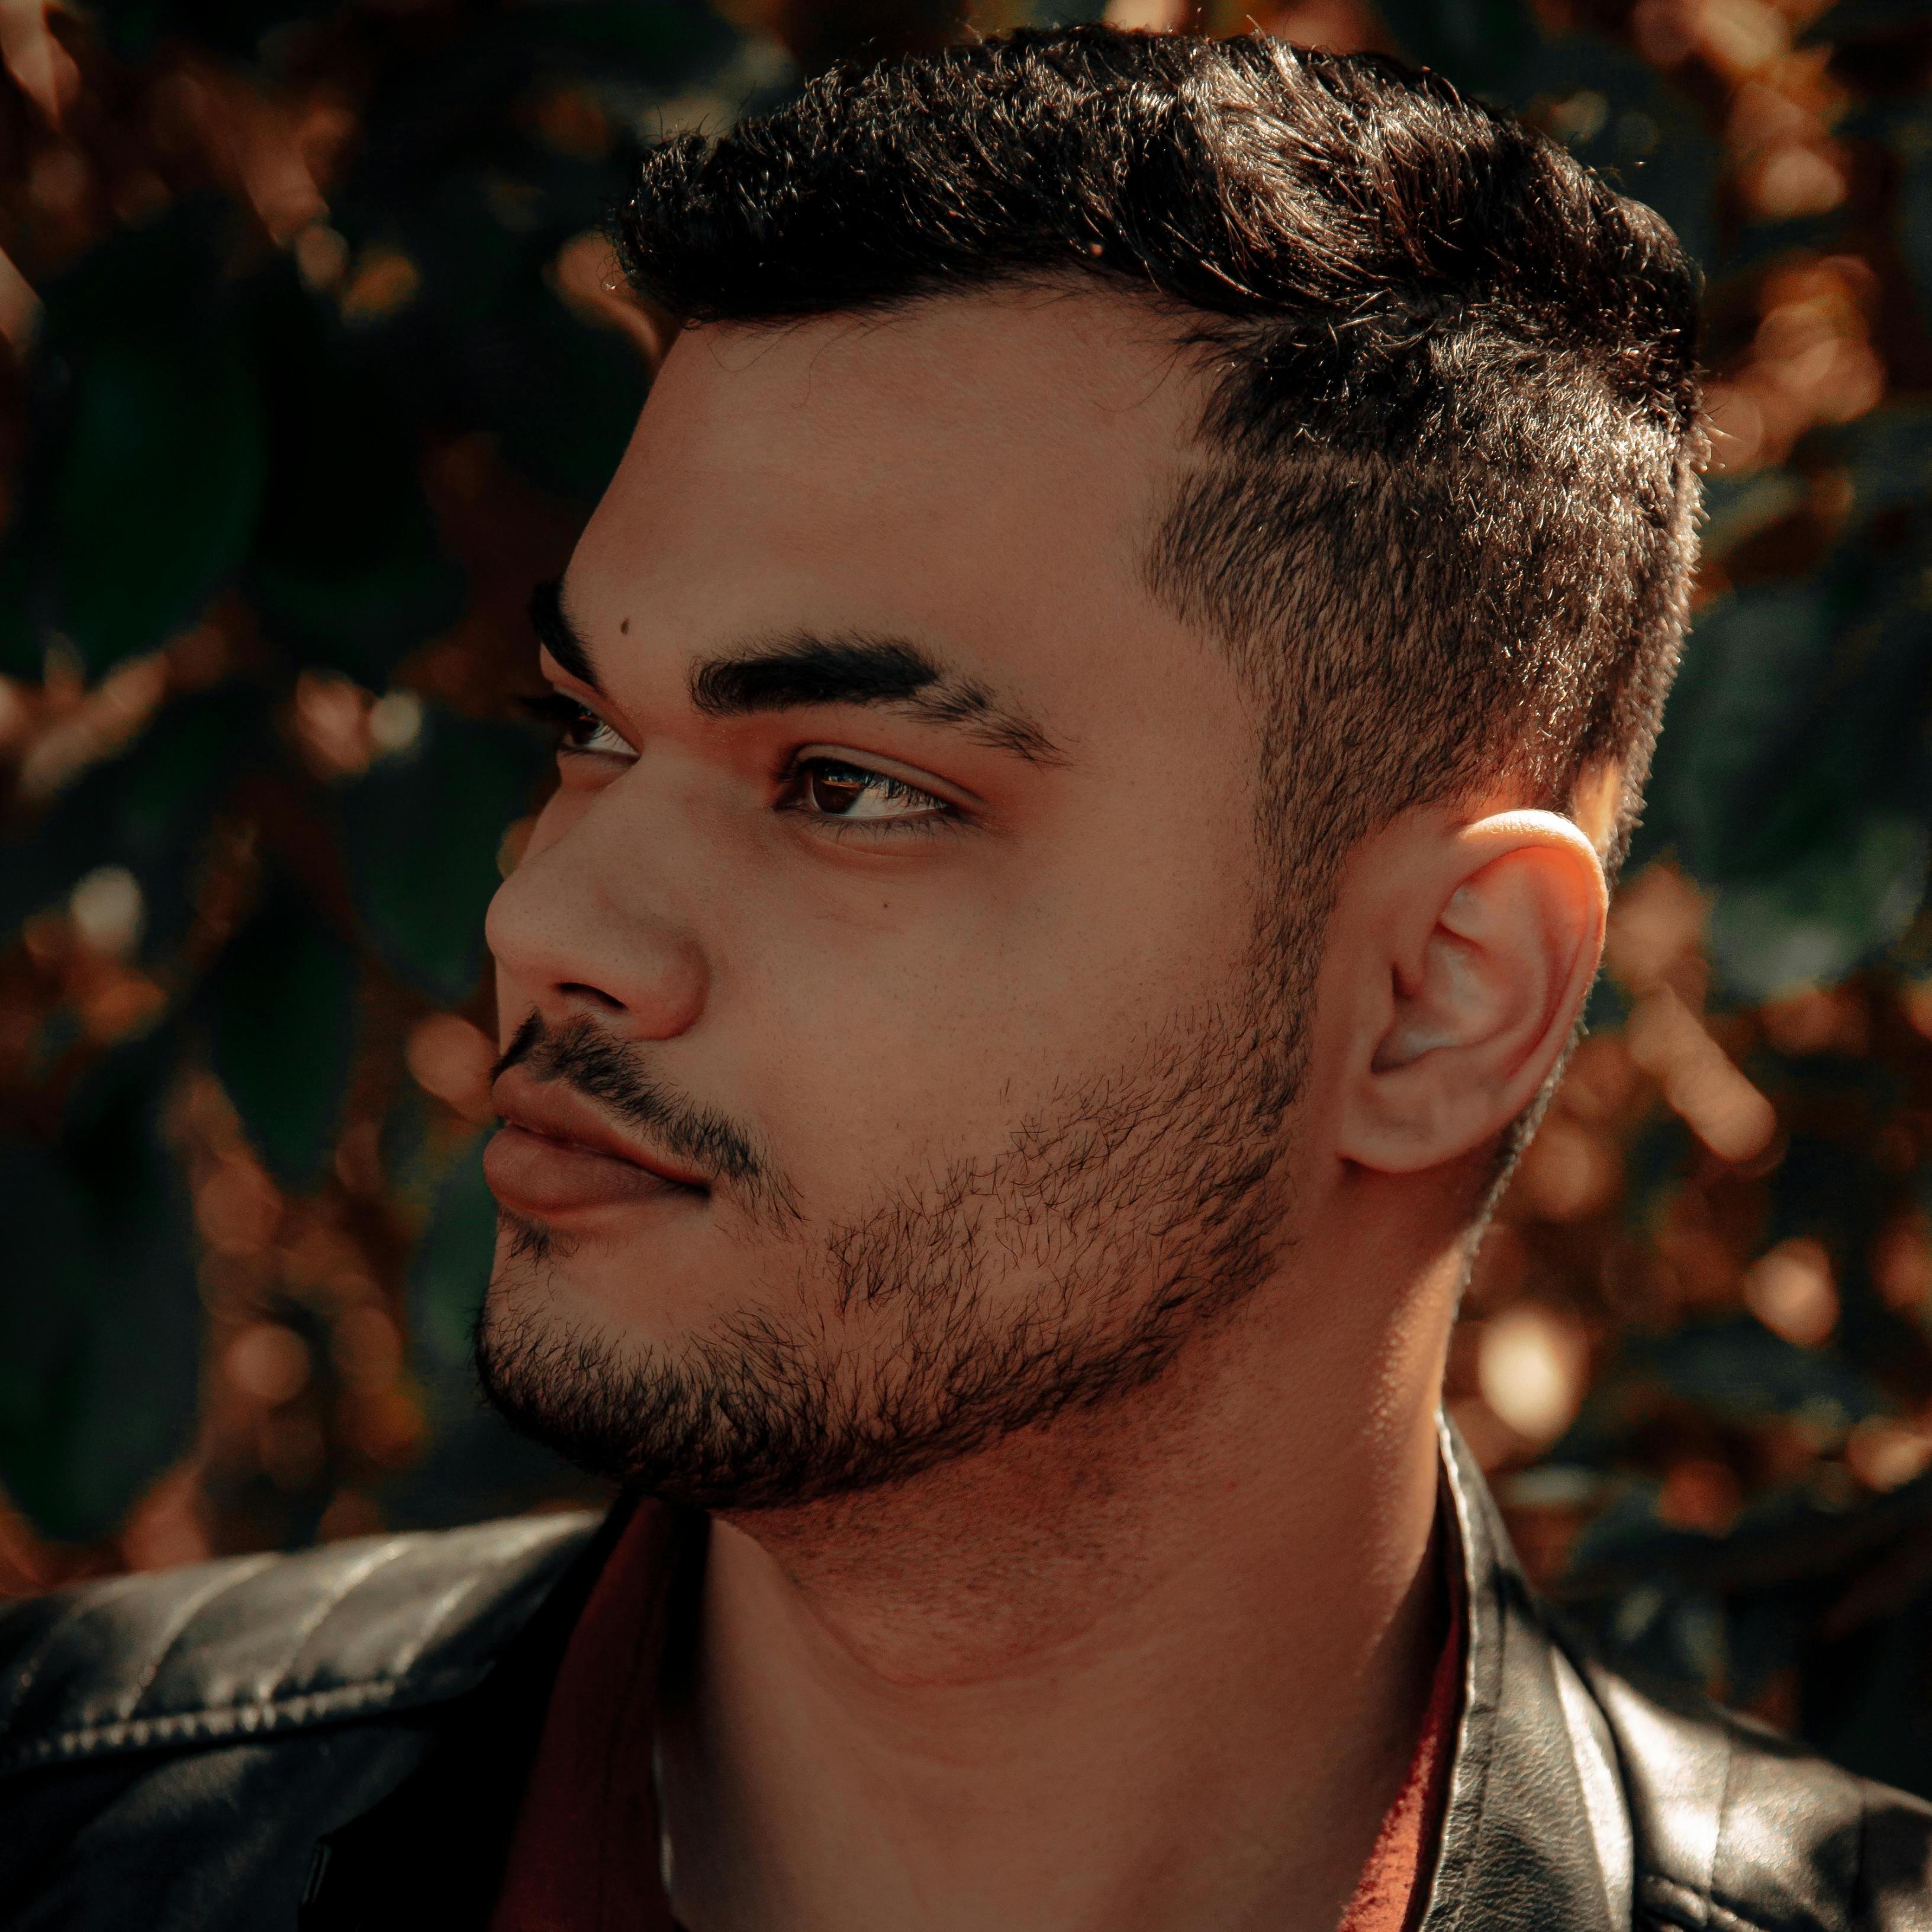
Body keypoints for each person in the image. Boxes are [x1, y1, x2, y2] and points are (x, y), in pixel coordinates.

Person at [5, 23, 1930, 1931]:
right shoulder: (58, 1843)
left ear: (1445, 993)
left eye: (847, 787)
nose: (547, 923)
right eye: (587, 730)